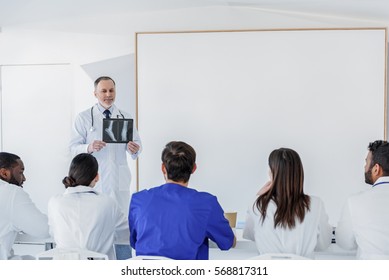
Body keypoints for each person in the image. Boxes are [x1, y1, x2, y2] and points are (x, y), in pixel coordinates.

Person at [129, 141, 236, 260]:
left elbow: (135, 242)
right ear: (194, 168)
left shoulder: (139, 200)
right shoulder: (206, 204)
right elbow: (228, 242)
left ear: (163, 168)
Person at [243, 148, 332, 259]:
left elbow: (251, 235)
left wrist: (258, 197)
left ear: (271, 173)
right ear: (299, 173)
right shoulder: (316, 204)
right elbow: (323, 244)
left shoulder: (257, 204)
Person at [69, 76, 142, 212]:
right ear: (95, 93)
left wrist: (134, 149)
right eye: (103, 91)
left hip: (119, 179)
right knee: (96, 217)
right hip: (94, 177)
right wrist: (88, 147)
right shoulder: (83, 118)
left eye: (111, 90)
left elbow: (137, 144)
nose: (108, 94)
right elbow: (72, 149)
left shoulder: (125, 117)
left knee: (120, 218)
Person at [47, 153, 129, 260]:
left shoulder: (55, 202)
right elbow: (126, 234)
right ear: (97, 177)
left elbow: (53, 233)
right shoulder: (108, 203)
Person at [336, 140, 389, 259]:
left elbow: (344, 243)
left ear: (376, 168)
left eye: (366, 162)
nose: (365, 166)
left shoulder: (355, 202)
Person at [0, 152, 49, 259]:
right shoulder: (11, 192)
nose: (24, 178)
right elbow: (43, 230)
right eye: (20, 172)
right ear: (4, 173)